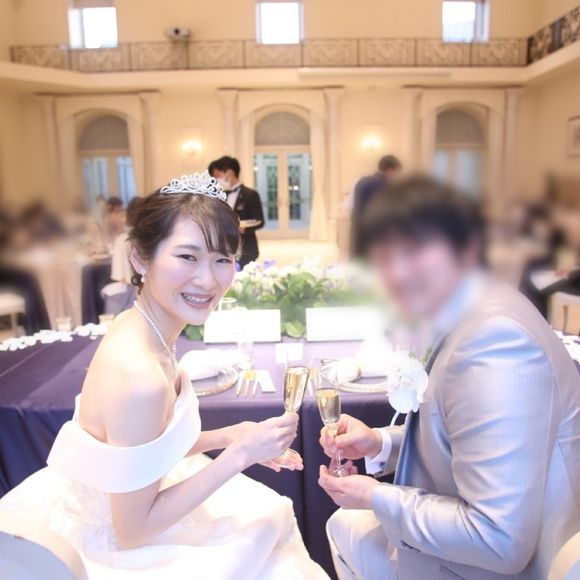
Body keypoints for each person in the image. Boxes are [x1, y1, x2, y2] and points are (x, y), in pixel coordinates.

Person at [0, 172, 327, 579]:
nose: (208, 280)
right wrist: (240, 455)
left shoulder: (139, 324)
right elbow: (132, 531)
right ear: (140, 258)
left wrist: (229, 435)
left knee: (266, 522)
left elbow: (139, 452)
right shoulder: (140, 377)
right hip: (118, 544)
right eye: (187, 257)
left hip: (121, 503)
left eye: (223, 259)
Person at [318, 176, 580, 579]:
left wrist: (377, 497)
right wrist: (380, 442)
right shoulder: (469, 307)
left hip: (497, 569)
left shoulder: (495, 342)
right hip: (467, 533)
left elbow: (499, 540)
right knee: (341, 525)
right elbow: (469, 435)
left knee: (339, 528)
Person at [208, 156, 265, 269]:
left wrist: (243, 228)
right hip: (221, 249)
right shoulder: (218, 195)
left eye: (217, 176)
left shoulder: (250, 195)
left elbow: (260, 221)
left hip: (246, 249)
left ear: (230, 172)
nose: (215, 180)